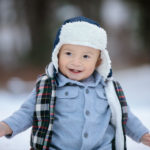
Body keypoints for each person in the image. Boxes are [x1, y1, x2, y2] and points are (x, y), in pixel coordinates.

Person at [0, 16, 150, 150]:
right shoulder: (48, 86)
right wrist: (6, 126)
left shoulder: (108, 88)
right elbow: (26, 113)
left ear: (98, 61)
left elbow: (125, 117)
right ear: (57, 54)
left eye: (86, 56)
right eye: (68, 53)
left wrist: (143, 135)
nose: (76, 62)